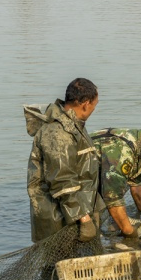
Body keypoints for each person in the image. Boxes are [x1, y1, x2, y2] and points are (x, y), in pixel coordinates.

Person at [26, 78, 104, 243]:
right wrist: (84, 219)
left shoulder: (73, 125)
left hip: (73, 214)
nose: (93, 110)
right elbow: (62, 180)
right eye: (94, 106)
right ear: (85, 104)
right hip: (58, 220)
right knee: (56, 267)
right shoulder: (58, 132)